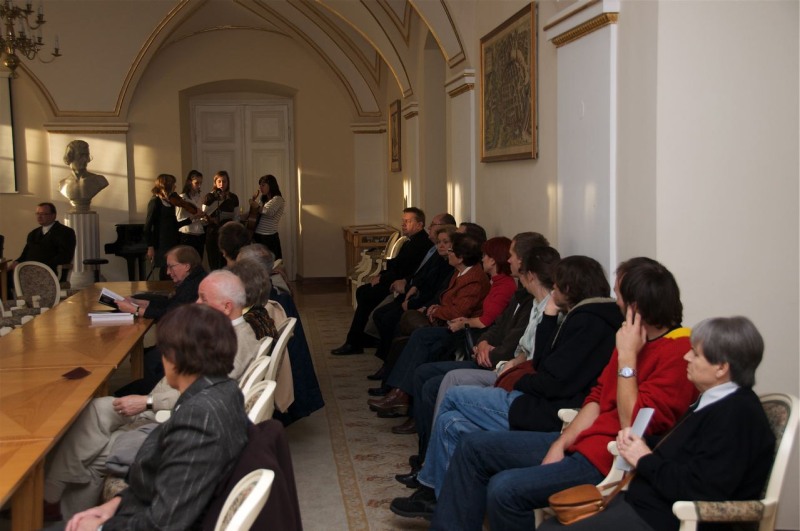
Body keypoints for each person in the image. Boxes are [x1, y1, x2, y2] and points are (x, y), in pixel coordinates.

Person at [426, 257, 699, 531]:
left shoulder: (679, 351)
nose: (615, 302)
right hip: (582, 441)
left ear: (635, 307)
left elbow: (633, 426)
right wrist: (561, 443)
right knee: (472, 447)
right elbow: (596, 399)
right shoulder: (631, 338)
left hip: (607, 458)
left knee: (504, 488)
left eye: (618, 295)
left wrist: (627, 360)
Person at [391, 254, 622, 519]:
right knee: (450, 422)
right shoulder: (583, 317)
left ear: (569, 288)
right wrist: (549, 318)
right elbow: (543, 364)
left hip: (545, 410)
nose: (553, 290)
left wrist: (520, 379)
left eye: (557, 286)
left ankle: (430, 490)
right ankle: (436, 497)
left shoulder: (587, 322)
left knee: (453, 395)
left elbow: (551, 379)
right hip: (538, 400)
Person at [44, 271, 258, 519]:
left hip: (164, 415)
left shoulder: (236, 344)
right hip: (161, 407)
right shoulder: (221, 332)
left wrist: (147, 402)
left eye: (202, 298)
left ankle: (57, 502)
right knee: (96, 408)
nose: (196, 303)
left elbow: (205, 394)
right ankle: (55, 493)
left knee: (91, 454)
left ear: (227, 306)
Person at [538, 316, 775, 531]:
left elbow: (701, 488)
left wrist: (643, 458)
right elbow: (683, 452)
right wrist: (640, 442)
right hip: (648, 506)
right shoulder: (716, 403)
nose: (686, 357)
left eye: (695, 354)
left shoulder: (737, 415)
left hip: (665, 519)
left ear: (721, 368)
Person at [368, 233, 491, 418]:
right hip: (447, 323)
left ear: (460, 257)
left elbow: (458, 312)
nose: (448, 253)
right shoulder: (460, 272)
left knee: (420, 337)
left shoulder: (473, 279)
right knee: (406, 338)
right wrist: (436, 309)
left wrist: (435, 311)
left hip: (460, 330)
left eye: (451, 250)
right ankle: (397, 393)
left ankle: (400, 395)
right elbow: (446, 301)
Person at [331, 207, 434, 355]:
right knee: (363, 292)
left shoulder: (421, 243)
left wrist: (382, 278)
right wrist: (380, 275)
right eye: (403, 221)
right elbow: (396, 264)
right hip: (394, 279)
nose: (403, 224)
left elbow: (404, 270)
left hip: (402, 283)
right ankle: (364, 336)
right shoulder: (411, 241)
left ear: (420, 225)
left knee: (366, 295)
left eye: (408, 221)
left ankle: (354, 342)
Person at [369, 218, 456, 374]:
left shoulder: (449, 265)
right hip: (416, 295)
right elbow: (421, 275)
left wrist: (414, 303)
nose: (441, 246)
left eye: (445, 242)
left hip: (425, 303)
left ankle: (390, 366)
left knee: (391, 320)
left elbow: (437, 292)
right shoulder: (437, 256)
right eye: (439, 242)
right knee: (379, 313)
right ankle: (387, 360)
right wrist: (413, 286)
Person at [115, 245, 205, 321]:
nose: (168, 272)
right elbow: (170, 304)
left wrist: (135, 309)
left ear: (186, 266)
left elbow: (170, 315)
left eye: (171, 266)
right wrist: (136, 302)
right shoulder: (194, 279)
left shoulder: (194, 286)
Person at [7, 202, 76, 283]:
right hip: (29, 270)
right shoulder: (33, 233)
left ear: (53, 215)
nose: (39, 217)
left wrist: (41, 266)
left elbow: (65, 256)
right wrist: (16, 262)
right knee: (4, 276)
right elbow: (25, 254)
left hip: (50, 271)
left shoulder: (65, 232)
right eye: (38, 214)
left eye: (43, 214)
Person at [143, 174, 184, 280]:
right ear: (167, 185)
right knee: (165, 270)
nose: (175, 186)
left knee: (172, 269)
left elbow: (174, 224)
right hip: (162, 243)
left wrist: (190, 219)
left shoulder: (170, 202)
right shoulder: (155, 201)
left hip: (172, 241)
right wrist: (150, 246)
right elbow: (148, 226)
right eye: (173, 184)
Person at [58, 140, 109, 213]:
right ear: (70, 156)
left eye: (87, 155)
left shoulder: (99, 180)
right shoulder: (62, 184)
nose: (86, 159)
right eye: (81, 155)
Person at [203, 170, 240, 270]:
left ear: (228, 182)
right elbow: (203, 217)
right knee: (214, 263)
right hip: (213, 234)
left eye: (224, 181)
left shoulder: (233, 197)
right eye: (219, 181)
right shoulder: (209, 197)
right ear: (215, 182)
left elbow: (236, 217)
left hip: (228, 234)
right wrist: (211, 220)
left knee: (227, 263)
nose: (222, 184)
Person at [250, 174, 286, 260]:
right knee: (259, 263)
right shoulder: (263, 200)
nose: (260, 188)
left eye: (263, 185)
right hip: (257, 236)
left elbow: (269, 212)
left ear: (271, 185)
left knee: (271, 264)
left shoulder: (278, 199)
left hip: (269, 238)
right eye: (260, 185)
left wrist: (255, 205)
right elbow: (256, 213)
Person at [176, 169, 206, 258]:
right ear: (189, 182)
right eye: (197, 183)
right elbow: (178, 219)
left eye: (201, 183)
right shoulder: (182, 198)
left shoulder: (200, 197)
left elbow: (200, 219)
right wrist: (194, 217)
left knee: (198, 261)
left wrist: (204, 219)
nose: (199, 186)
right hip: (187, 235)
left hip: (199, 235)